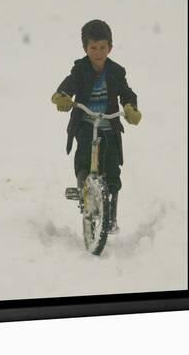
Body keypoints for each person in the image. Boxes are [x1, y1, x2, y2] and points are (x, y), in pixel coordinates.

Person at [51, 19, 142, 233]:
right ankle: (84, 189)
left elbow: (127, 93)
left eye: (103, 47)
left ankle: (111, 216)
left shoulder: (116, 72)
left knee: (112, 170)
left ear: (110, 47)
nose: (98, 52)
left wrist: (130, 107)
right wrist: (62, 96)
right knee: (83, 157)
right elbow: (69, 84)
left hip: (109, 126)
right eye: (93, 47)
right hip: (85, 123)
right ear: (85, 48)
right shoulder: (80, 69)